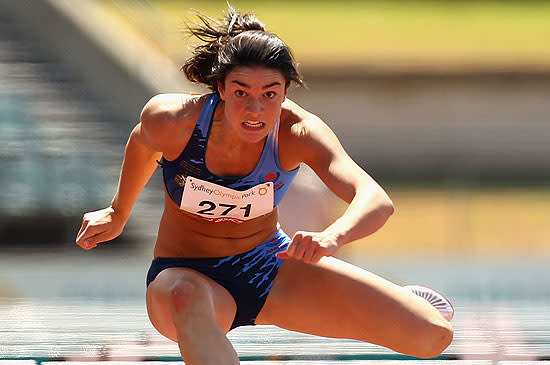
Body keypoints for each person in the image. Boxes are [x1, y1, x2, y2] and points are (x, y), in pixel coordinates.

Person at [76, 5, 454, 364]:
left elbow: (375, 199)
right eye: (241, 93)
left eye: (269, 94)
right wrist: (118, 210)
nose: (255, 110)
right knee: (185, 295)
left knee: (432, 336)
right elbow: (143, 142)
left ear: (285, 92)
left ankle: (406, 303)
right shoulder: (175, 120)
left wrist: (332, 237)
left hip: (270, 268)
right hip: (186, 274)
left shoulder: (298, 132)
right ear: (220, 89)